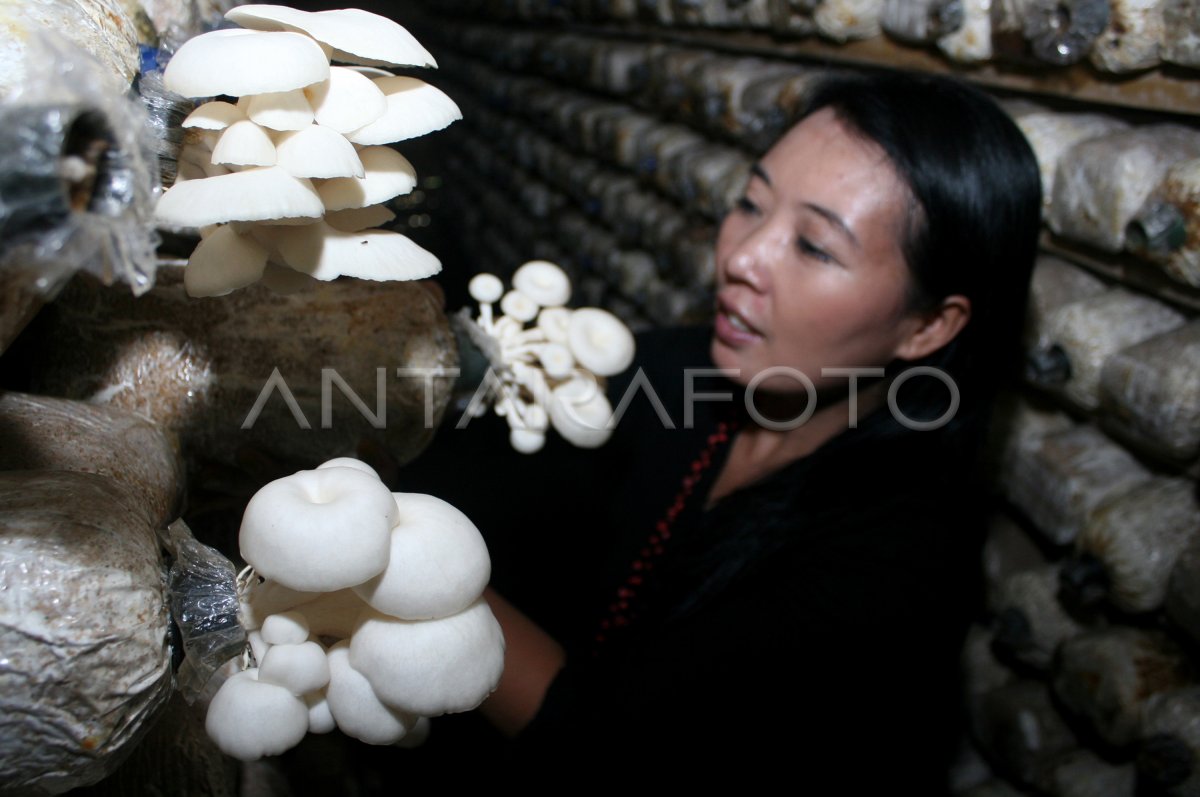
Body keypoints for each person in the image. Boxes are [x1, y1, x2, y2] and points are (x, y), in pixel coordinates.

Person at [409, 69, 1041, 787]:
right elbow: (500, 472)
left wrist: (401, 556)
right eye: (751, 203)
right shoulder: (685, 373)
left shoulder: (894, 569)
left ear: (929, 325)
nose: (741, 257)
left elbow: (604, 747)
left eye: (814, 247)